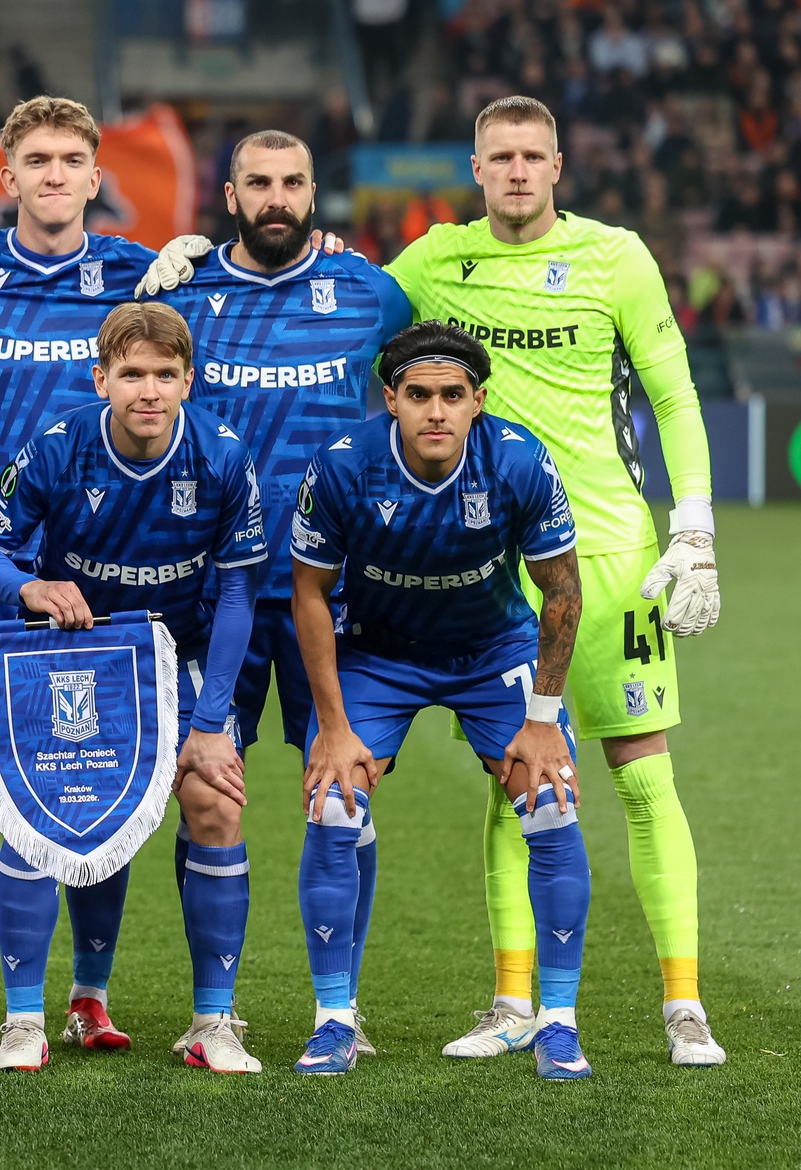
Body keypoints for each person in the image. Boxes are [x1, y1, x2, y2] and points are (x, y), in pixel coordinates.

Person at [138, 95, 726, 1067]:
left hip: (611, 555)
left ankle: (684, 1002)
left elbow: (674, 391)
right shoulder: (433, 262)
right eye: (501, 157)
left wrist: (694, 524)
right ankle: (512, 1001)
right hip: (493, 561)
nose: (519, 171)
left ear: (559, 163)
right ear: (477, 166)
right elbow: (337, 300)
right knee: (519, 783)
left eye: (534, 155)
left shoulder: (617, 255)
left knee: (644, 774)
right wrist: (179, 272)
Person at [135, 129, 409, 1056]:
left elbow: (431, 381)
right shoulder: (186, 290)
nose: (278, 197)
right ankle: (214, 1012)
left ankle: (344, 1008)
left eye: (294, 182)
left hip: (331, 591)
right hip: (215, 589)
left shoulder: (368, 290)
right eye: (260, 183)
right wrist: (166, 254)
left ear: (315, 191)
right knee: (206, 786)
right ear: (230, 194)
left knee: (344, 786)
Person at [0, 301, 268, 1075]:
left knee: (214, 797)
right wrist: (30, 589)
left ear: (188, 380)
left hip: (177, 651)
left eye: (166, 374)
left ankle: (213, 1020)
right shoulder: (59, 446)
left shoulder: (224, 456)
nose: (149, 390)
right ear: (101, 378)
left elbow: (237, 599)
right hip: (73, 651)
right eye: (131, 373)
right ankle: (25, 1019)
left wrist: (208, 725)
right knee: (35, 807)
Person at [288, 322, 593, 1082]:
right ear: (389, 399)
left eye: (452, 396)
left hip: (493, 653)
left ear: (477, 402)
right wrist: (330, 727)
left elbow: (561, 590)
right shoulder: (341, 468)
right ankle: (334, 1021)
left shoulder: (519, 462)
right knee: (333, 804)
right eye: (418, 395)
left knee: (552, 800)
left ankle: (556, 1023)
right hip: (381, 654)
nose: (435, 411)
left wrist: (545, 721)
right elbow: (309, 595)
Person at [0, 98, 160, 1048]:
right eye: (37, 161)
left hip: (106, 558)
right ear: (7, 178)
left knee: (106, 774)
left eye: (72, 160)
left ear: (97, 179)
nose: (55, 175)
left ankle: (89, 991)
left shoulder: (143, 275)